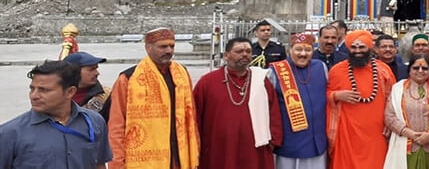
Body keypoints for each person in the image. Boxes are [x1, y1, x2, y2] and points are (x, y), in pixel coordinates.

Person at [107, 28, 199, 169]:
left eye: (172, 46)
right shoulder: (128, 79)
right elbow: (116, 125)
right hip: (143, 161)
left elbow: (191, 118)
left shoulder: (182, 75)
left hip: (178, 159)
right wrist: (117, 164)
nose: (169, 50)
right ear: (148, 48)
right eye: (163, 46)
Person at [0, 61, 113, 169]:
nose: (34, 96)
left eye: (44, 90)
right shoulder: (10, 133)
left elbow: (99, 164)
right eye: (32, 89)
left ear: (70, 92)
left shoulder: (93, 122)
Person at [194, 36, 282, 169]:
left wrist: (274, 140)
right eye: (239, 51)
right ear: (226, 56)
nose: (245, 54)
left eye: (248, 51)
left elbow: (274, 111)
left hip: (255, 148)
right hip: (219, 148)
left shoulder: (261, 80)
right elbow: (195, 116)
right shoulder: (207, 82)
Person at [326, 29, 396, 169]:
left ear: (369, 48)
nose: (357, 51)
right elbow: (323, 94)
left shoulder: (383, 70)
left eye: (362, 47)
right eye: (353, 47)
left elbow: (394, 100)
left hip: (376, 133)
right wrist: (336, 95)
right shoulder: (336, 70)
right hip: (346, 133)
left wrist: (390, 124)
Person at [269, 33, 328, 169]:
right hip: (290, 140)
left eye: (307, 50)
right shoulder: (275, 71)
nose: (303, 54)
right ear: (290, 50)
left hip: (317, 140)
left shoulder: (321, 67)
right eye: (298, 49)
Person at [384, 53, 429, 169]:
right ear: (409, 70)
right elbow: (389, 116)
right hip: (405, 144)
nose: (420, 71)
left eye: (425, 68)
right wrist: (410, 134)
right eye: (416, 68)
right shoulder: (398, 89)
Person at [64, 51, 111, 120]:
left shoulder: (107, 96)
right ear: (74, 72)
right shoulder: (55, 95)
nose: (97, 73)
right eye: (91, 69)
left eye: (96, 69)